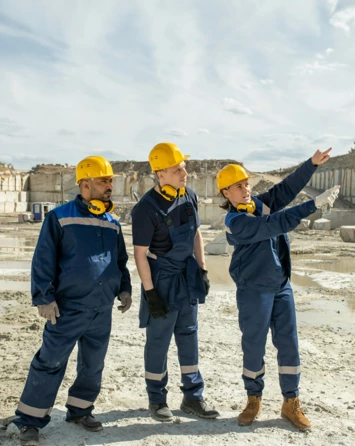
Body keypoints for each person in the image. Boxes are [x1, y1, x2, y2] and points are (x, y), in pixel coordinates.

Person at [215, 148, 340, 430]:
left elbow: (287, 188)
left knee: (289, 345)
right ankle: (253, 398)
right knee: (254, 346)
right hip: (253, 289)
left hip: (281, 286)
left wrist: (311, 164)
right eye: (238, 186)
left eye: (246, 184)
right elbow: (274, 224)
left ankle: (290, 402)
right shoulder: (235, 223)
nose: (245, 189)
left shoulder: (261, 204)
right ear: (226, 193)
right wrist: (312, 206)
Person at [13, 156, 132, 446]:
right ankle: (29, 420)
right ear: (85, 183)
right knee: (50, 362)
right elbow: (43, 259)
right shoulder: (60, 217)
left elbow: (120, 260)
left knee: (93, 364)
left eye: (110, 181)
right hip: (67, 307)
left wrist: (124, 289)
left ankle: (80, 410)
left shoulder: (112, 222)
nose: (109, 186)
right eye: (104, 180)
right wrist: (44, 297)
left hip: (101, 307)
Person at [131, 142, 219, 422]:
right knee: (158, 340)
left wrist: (202, 270)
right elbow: (140, 254)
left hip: (186, 277)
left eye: (184, 167)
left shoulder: (189, 196)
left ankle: (193, 397)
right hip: (162, 279)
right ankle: (157, 400)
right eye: (177, 169)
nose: (185, 173)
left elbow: (196, 235)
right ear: (160, 174)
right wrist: (151, 293)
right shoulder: (145, 208)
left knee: (189, 335)